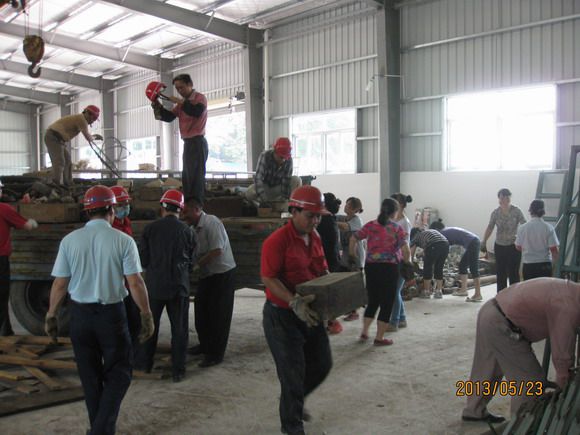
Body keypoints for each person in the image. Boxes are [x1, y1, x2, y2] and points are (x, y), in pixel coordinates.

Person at [44, 185, 154, 435]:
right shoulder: (123, 240)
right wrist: (146, 314)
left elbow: (60, 283)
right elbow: (135, 282)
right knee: (120, 372)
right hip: (111, 316)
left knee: (90, 377)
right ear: (111, 210)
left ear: (87, 211)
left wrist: (51, 314)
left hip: (79, 317)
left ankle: (100, 429)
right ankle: (101, 431)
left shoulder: (69, 241)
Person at [261, 185, 332, 435]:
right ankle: (292, 426)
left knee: (322, 364)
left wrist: (332, 295)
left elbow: (320, 269)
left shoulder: (315, 238)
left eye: (318, 216)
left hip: (310, 313)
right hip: (281, 316)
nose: (315, 221)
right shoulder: (276, 241)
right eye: (310, 216)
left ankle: (294, 401)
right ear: (294, 211)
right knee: (292, 373)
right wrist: (294, 301)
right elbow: (268, 278)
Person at [461, 277, 580, 423]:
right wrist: (564, 391)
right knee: (531, 379)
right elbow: (562, 358)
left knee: (487, 367)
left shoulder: (570, 290)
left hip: (491, 311)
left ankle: (473, 410)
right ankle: (521, 424)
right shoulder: (568, 307)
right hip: (503, 324)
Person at [136, 189, 196, 382]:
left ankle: (145, 364)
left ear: (162, 208)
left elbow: (143, 260)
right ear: (181, 209)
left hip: (155, 286)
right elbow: (192, 262)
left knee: (150, 326)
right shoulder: (188, 231)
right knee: (179, 329)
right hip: (179, 287)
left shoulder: (150, 229)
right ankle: (178, 370)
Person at [182, 198, 237, 368]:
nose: (184, 216)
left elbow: (217, 250)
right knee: (202, 312)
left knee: (219, 316)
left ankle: (215, 355)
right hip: (207, 275)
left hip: (222, 275)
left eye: (186, 212)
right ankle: (205, 345)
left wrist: (196, 266)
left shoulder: (212, 223)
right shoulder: (192, 228)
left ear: (196, 209)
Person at [350, 198, 411, 345]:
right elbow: (406, 250)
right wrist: (407, 263)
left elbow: (354, 238)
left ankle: (365, 332)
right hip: (389, 268)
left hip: (371, 267)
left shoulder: (371, 225)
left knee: (373, 300)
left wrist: (353, 255)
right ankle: (379, 337)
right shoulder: (396, 228)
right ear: (394, 212)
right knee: (387, 302)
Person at [151, 74, 208, 202]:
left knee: (196, 177)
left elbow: (196, 112)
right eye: (177, 89)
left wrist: (180, 102)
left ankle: (196, 205)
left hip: (198, 142)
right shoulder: (181, 104)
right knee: (187, 177)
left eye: (181, 87)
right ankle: (188, 204)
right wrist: (156, 104)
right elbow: (168, 117)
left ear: (190, 84)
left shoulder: (199, 98)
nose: (179, 91)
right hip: (188, 143)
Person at [0, 180, 38, 336]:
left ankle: (6, 331)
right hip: (0, 260)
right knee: (1, 297)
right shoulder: (4, 209)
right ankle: (2, 335)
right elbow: (27, 225)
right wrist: (34, 221)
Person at [110, 186, 140, 350]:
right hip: (117, 286)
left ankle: (133, 352)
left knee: (133, 322)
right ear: (112, 207)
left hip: (129, 282)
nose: (125, 208)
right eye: (121, 205)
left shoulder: (126, 222)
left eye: (126, 204)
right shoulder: (110, 229)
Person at [482, 188, 526, 292]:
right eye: (502, 198)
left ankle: (514, 295)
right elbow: (490, 227)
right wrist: (484, 241)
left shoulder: (516, 211)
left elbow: (524, 225)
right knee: (501, 272)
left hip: (513, 246)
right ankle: (501, 295)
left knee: (513, 272)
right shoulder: (496, 213)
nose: (504, 200)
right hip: (500, 246)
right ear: (499, 199)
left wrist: (522, 239)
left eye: (507, 197)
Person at [44, 105, 100, 187]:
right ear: (89, 114)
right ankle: (56, 184)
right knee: (59, 162)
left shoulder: (80, 119)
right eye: (94, 119)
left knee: (67, 160)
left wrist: (93, 137)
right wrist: (95, 137)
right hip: (53, 137)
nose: (93, 121)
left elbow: (88, 136)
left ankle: (68, 183)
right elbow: (88, 137)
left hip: (58, 140)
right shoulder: (82, 120)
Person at [429, 220, 483, 303]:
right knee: (462, 266)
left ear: (436, 230)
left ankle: (478, 294)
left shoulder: (442, 234)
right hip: (473, 242)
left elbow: (443, 248)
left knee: (474, 269)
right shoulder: (446, 231)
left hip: (473, 243)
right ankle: (464, 290)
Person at [244, 137, 302, 207]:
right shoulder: (265, 156)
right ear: (275, 152)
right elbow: (258, 179)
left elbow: (286, 182)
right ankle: (261, 204)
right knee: (249, 192)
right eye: (281, 157)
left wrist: (284, 200)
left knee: (297, 180)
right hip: (265, 189)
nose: (283, 160)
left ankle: (284, 205)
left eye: (285, 158)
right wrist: (264, 200)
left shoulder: (289, 160)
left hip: (278, 189)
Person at [317, 193, 343, 335]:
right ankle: (331, 321)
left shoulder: (323, 219)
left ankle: (332, 322)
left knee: (326, 293)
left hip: (325, 260)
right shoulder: (330, 218)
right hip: (332, 258)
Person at [515, 199, 559, 280]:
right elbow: (554, 250)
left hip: (528, 265)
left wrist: (528, 248)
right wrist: (553, 268)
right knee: (544, 288)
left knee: (530, 288)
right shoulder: (548, 228)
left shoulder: (522, 228)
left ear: (530, 211)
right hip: (545, 265)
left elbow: (518, 247)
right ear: (543, 212)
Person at [387, 193, 413, 331]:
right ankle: (401, 319)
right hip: (393, 259)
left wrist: (406, 263)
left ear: (401, 205)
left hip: (401, 260)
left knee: (393, 291)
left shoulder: (404, 222)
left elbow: (405, 244)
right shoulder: (394, 220)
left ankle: (394, 322)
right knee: (395, 291)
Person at [337, 196, 365, 322]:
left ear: (355, 209)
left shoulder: (357, 221)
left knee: (354, 285)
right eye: (346, 204)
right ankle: (349, 308)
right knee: (345, 283)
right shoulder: (342, 218)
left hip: (355, 257)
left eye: (348, 205)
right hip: (345, 257)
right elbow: (334, 218)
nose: (345, 206)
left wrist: (331, 222)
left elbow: (344, 227)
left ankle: (355, 312)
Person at [410, 227, 450, 299]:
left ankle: (426, 292)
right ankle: (439, 292)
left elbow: (411, 255)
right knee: (439, 268)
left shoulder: (415, 238)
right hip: (446, 245)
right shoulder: (428, 232)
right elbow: (429, 247)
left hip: (434, 245)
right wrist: (420, 254)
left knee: (427, 268)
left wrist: (410, 263)